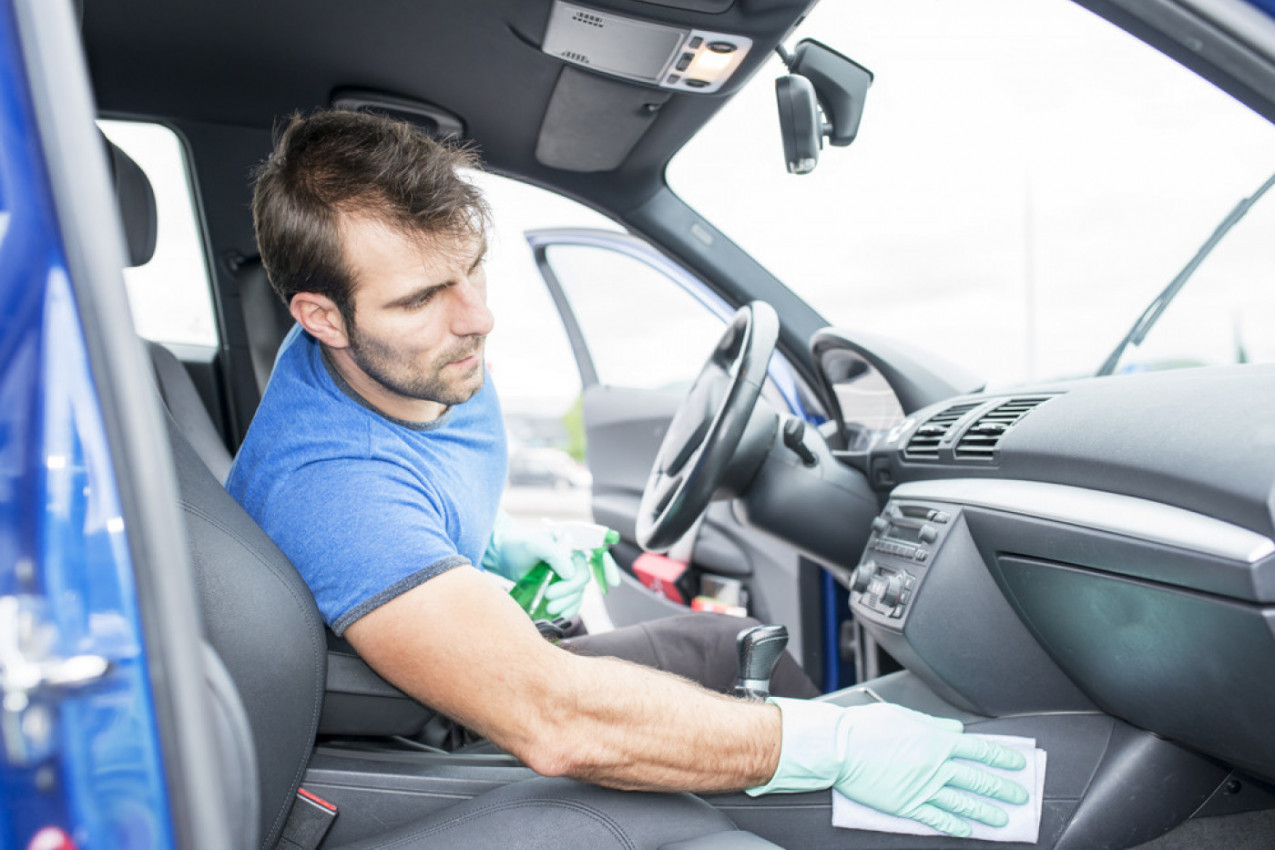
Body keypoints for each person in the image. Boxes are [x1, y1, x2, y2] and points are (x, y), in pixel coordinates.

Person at [227, 108, 1028, 838]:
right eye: (420, 299)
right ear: (321, 318)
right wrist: (832, 746)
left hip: (443, 673)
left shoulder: (417, 357)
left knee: (726, 644)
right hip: (418, 731)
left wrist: (494, 543)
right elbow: (554, 719)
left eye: (472, 268)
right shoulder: (331, 488)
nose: (477, 317)